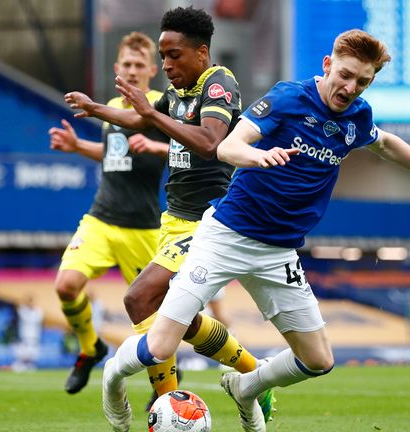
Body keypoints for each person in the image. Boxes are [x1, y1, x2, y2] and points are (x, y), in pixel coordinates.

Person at [99, 29, 410, 431]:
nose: (350, 89)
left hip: (278, 252)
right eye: (346, 76)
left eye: (363, 82)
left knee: (318, 360)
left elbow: (384, 143)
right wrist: (259, 155)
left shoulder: (357, 115)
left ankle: (247, 387)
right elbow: (229, 147)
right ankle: (112, 375)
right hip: (225, 236)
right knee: (160, 345)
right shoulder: (288, 98)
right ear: (327, 65)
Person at [65, 6, 274, 425]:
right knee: (165, 312)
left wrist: (152, 112)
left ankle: (174, 404)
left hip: (210, 221)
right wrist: (97, 109)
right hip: (174, 221)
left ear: (201, 52)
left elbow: (210, 141)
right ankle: (251, 373)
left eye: (174, 55)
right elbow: (140, 117)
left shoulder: (219, 84)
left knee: (139, 298)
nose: (167, 65)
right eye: (163, 56)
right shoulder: (175, 91)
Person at [50, 31, 170, 394]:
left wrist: (154, 146)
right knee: (66, 286)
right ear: (117, 68)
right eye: (126, 65)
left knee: (152, 317)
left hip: (143, 227)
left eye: (139, 65)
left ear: (152, 70)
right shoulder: (112, 108)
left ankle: (164, 390)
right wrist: (77, 146)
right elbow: (114, 154)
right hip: (102, 218)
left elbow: (188, 152)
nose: (132, 71)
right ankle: (90, 348)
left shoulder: (160, 105)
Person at [13, 295, 44, 371]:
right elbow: (24, 316)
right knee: (23, 353)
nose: (30, 303)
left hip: (34, 336)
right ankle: (21, 366)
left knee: (32, 353)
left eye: (31, 301)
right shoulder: (23, 310)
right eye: (29, 301)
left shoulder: (38, 311)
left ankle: (30, 365)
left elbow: (37, 318)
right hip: (24, 336)